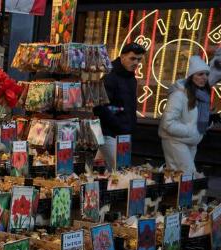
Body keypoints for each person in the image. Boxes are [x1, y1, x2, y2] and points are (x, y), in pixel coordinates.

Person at [92, 42, 147, 172]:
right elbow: (101, 107)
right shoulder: (110, 77)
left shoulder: (131, 79)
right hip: (109, 134)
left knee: (102, 172)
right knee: (121, 171)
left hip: (122, 134)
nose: (136, 62)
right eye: (132, 58)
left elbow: (126, 106)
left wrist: (129, 125)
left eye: (138, 59)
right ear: (122, 57)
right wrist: (120, 123)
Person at [159, 56, 219, 173]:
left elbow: (194, 120)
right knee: (187, 176)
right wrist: (190, 131)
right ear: (191, 76)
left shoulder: (202, 96)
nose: (204, 78)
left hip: (191, 141)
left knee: (178, 178)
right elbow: (168, 122)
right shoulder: (178, 95)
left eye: (206, 74)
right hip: (175, 141)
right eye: (200, 74)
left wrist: (209, 120)